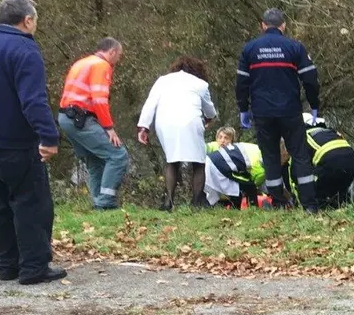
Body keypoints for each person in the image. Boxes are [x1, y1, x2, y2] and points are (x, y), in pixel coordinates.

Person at [0, 0, 67, 284]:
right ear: (28, 20)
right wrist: (48, 135)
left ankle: (7, 265)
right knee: (31, 202)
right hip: (17, 142)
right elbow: (33, 101)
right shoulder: (24, 50)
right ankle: (34, 266)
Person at [236, 8, 321, 213]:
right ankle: (309, 204)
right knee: (299, 154)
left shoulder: (249, 49)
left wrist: (243, 108)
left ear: (263, 26)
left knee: (271, 155)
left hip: (262, 112)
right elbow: (310, 79)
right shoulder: (294, 47)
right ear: (283, 26)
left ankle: (278, 203)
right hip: (290, 110)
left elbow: (241, 83)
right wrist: (314, 104)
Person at [137, 56, 218, 211]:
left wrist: (143, 127)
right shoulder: (200, 84)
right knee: (199, 161)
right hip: (190, 121)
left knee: (172, 160)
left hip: (165, 121)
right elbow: (209, 109)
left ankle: (168, 201)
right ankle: (197, 201)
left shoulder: (162, 81)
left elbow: (150, 103)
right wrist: (209, 119)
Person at [58, 37, 128, 210]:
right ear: (111, 52)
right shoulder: (102, 65)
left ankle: (98, 202)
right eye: (118, 56)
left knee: (95, 160)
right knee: (118, 155)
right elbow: (99, 99)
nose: (118, 60)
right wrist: (109, 128)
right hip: (81, 118)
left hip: (67, 118)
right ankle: (106, 203)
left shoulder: (82, 63)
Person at [284, 113, 354, 209]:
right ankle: (342, 200)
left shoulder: (302, 138)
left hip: (329, 168)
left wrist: (298, 199)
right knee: (341, 191)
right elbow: (343, 155)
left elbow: (295, 173)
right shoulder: (330, 132)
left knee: (309, 181)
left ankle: (320, 204)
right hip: (351, 165)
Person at [203, 139, 268, 208]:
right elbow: (258, 178)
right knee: (250, 186)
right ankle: (253, 207)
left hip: (213, 163)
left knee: (237, 187)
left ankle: (236, 207)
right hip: (218, 166)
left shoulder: (256, 148)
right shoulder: (261, 159)